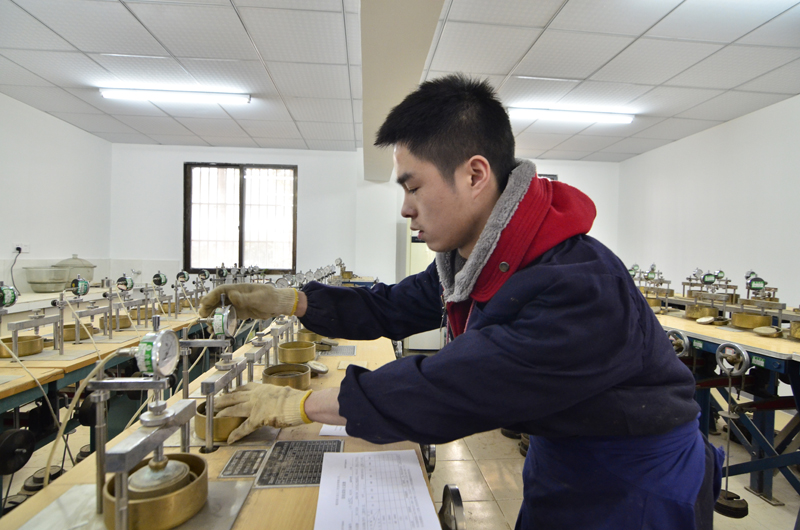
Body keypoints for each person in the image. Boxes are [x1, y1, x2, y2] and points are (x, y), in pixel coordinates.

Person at [200, 74, 722, 530]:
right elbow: (392, 306)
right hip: (563, 453)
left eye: (413, 187)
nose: (405, 209)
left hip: (636, 478)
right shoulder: (477, 260)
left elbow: (449, 389)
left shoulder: (579, 287)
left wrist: (295, 405)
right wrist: (290, 301)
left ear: (474, 175)